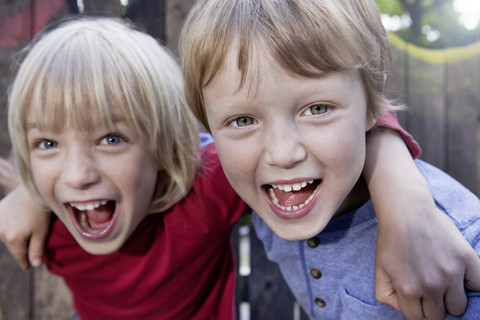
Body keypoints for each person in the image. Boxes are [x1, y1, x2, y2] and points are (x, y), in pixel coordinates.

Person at [0, 12, 476, 320]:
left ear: (170, 146)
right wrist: (29, 192)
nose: (77, 173)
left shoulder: (212, 184)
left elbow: (362, 104)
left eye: (111, 138)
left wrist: (406, 202)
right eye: (47, 143)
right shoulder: (46, 221)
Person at [178, 0, 480, 319]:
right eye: (242, 121)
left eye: (318, 109)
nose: (282, 155)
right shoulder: (263, 192)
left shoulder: (455, 249)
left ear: (373, 107)